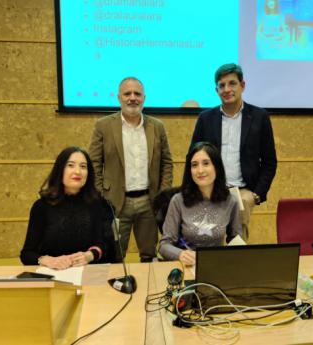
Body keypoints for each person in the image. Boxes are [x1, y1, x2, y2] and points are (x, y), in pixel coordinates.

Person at [89, 77, 173, 262]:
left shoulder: (157, 127)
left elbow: (167, 163)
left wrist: (162, 195)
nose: (132, 98)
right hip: (116, 203)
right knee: (115, 255)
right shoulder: (103, 126)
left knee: (149, 255)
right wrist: (101, 197)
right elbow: (94, 164)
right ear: (119, 97)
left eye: (137, 94)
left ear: (144, 97)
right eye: (127, 94)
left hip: (149, 202)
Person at [190, 63, 277, 239]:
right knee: (208, 242)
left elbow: (269, 161)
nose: (227, 89)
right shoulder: (205, 119)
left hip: (242, 193)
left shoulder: (260, 117)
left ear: (242, 86)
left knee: (237, 245)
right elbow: (192, 157)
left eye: (232, 83)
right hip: (210, 191)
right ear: (216, 90)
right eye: (222, 85)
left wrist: (256, 195)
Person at [20, 146, 115, 269]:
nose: (78, 172)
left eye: (83, 166)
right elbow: (27, 254)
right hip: (53, 274)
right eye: (71, 165)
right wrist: (47, 260)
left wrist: (89, 255)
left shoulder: (99, 204)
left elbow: (108, 247)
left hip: (89, 273)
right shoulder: (42, 207)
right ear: (60, 170)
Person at [159, 142, 242, 265]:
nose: (200, 170)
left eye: (206, 163)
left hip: (216, 265)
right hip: (186, 266)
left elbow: (236, 241)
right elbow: (164, 245)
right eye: (194, 165)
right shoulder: (178, 200)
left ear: (216, 167)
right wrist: (180, 254)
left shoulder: (231, 201)